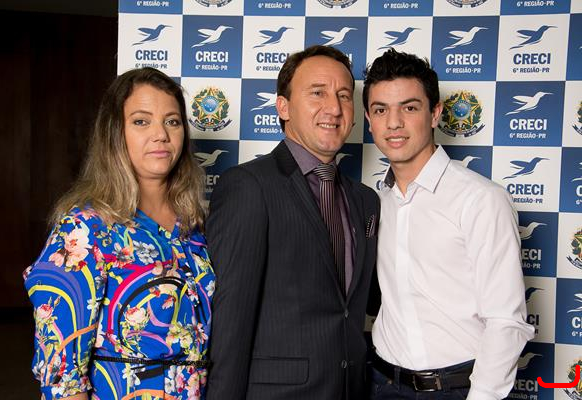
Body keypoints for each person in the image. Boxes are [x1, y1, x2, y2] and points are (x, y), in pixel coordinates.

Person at [24, 67, 215, 400]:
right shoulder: (85, 229)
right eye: (141, 121)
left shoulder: (196, 227)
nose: (161, 134)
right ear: (115, 133)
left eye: (172, 121)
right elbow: (62, 377)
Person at [205, 45, 380, 400]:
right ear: (283, 107)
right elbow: (230, 321)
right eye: (318, 93)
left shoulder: (366, 200)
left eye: (344, 95)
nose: (334, 108)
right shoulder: (249, 186)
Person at [363, 48, 534, 400]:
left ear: (435, 113)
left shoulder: (481, 199)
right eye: (381, 110)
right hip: (382, 383)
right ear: (369, 119)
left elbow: (506, 321)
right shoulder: (377, 203)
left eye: (409, 108)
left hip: (455, 389)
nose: (393, 123)